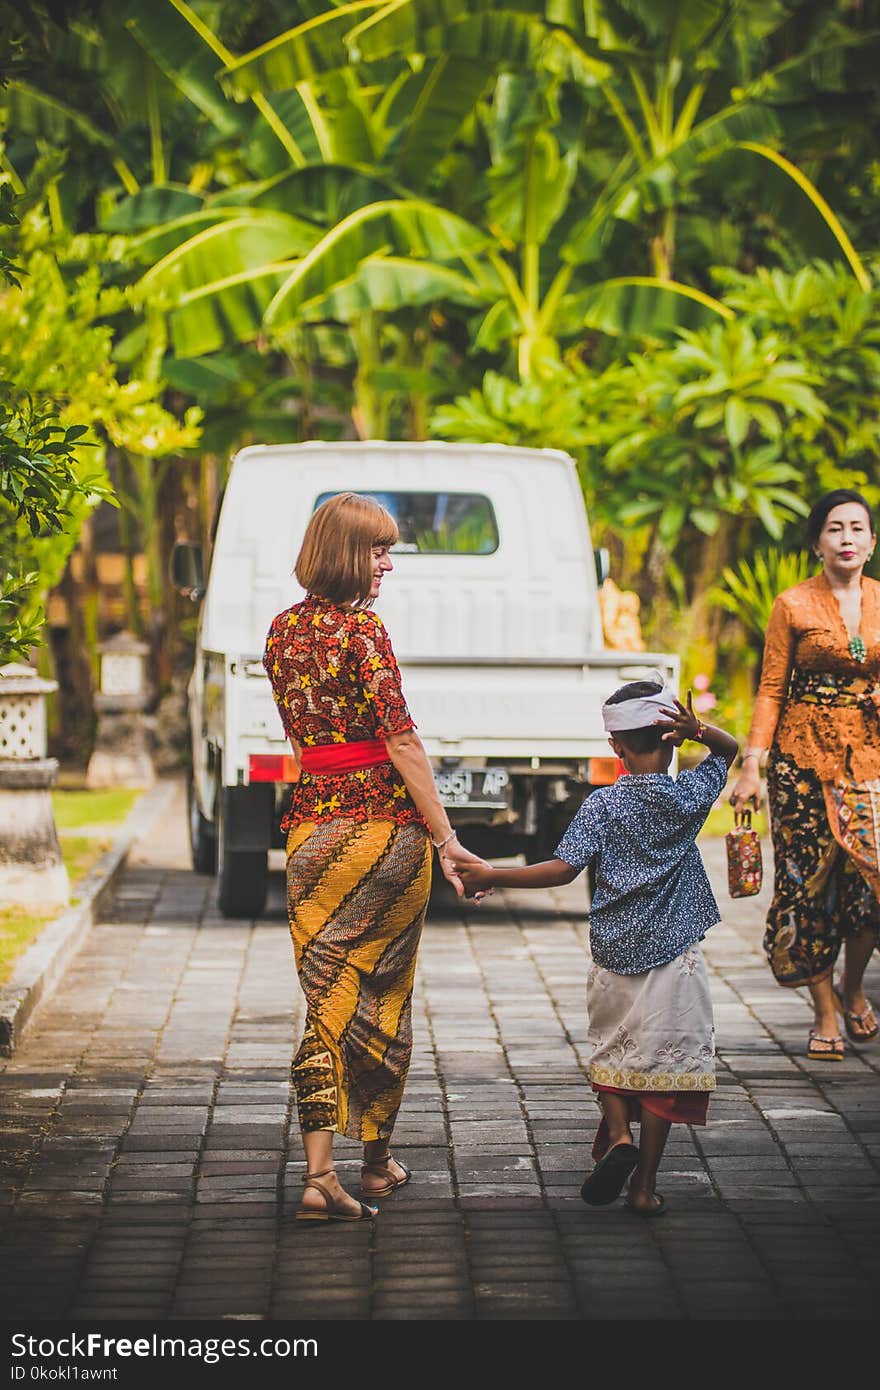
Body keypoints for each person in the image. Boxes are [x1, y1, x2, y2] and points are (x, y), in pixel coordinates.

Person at [263, 492, 486, 1222]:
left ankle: (318, 1173)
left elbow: (302, 742)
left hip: (310, 836)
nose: (388, 564)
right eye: (379, 551)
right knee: (383, 998)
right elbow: (402, 742)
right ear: (347, 554)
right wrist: (449, 840)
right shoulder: (364, 631)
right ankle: (376, 1162)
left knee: (323, 1006)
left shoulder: (281, 632)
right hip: (386, 835)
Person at [459, 678, 738, 1216]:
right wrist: (699, 729)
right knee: (664, 1070)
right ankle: (643, 1187)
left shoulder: (601, 805)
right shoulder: (688, 797)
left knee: (611, 1048)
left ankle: (616, 1136)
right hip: (673, 957)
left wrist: (491, 873)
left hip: (612, 954)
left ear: (615, 747)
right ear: (671, 738)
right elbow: (731, 751)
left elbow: (562, 872)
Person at [730, 489, 880, 1059]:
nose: (846, 538)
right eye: (834, 528)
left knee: (871, 881)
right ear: (817, 542)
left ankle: (853, 985)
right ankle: (824, 1013)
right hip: (800, 761)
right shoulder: (792, 604)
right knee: (806, 883)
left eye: (856, 528)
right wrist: (751, 765)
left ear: (871, 541)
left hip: (870, 757)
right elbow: (771, 689)